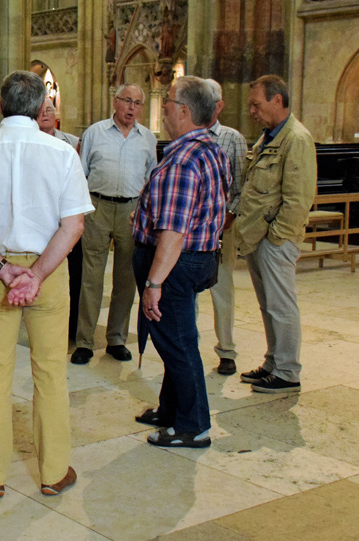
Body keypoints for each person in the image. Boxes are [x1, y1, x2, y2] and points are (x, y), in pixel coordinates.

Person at [0, 70, 93, 497]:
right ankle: (54, 472)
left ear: (0, 104)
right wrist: (38, 273)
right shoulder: (62, 154)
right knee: (50, 372)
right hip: (49, 270)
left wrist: (4, 270)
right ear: (41, 107)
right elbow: (74, 225)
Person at [132, 76, 230, 448]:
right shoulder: (210, 149)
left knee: (178, 342)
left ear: (185, 112)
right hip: (198, 258)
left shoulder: (184, 159)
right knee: (176, 337)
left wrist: (155, 283)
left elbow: (174, 231)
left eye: (169, 101)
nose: (165, 107)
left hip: (175, 266)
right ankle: (171, 409)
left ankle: (192, 425)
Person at [234, 75, 316, 394]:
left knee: (281, 305)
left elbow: (299, 199)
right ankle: (273, 361)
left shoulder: (296, 139)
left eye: (256, 104)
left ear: (277, 101)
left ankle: (287, 370)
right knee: (268, 304)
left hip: (275, 239)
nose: (252, 111)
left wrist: (276, 237)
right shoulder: (269, 136)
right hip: (258, 236)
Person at [71, 84, 157, 365]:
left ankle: (116, 338)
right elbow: (80, 173)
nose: (132, 108)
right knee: (91, 276)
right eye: (127, 101)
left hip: (132, 210)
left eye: (137, 103)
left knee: (126, 278)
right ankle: (84, 341)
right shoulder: (94, 133)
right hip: (97, 206)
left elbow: (150, 176)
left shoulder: (148, 138)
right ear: (115, 102)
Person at [203, 79, 248, 376]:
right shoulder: (186, 135)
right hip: (189, 227)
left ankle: (227, 350)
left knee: (221, 287)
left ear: (219, 105)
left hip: (222, 225)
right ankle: (187, 346)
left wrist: (229, 214)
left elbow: (241, 186)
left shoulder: (232, 138)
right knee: (185, 291)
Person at [37, 96, 83, 338]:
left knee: (73, 273)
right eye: (41, 109)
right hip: (41, 218)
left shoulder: (73, 143)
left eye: (50, 109)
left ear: (56, 114)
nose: (45, 113)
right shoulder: (29, 141)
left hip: (65, 217)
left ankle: (71, 327)